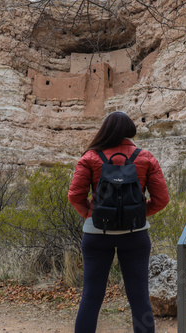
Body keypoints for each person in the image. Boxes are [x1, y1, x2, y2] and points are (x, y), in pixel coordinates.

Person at [68, 111, 170, 333]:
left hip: (97, 235)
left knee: (91, 296)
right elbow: (162, 199)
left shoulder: (90, 157)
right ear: (130, 132)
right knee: (139, 297)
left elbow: (75, 196)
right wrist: (138, 216)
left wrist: (91, 216)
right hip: (135, 235)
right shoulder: (146, 157)